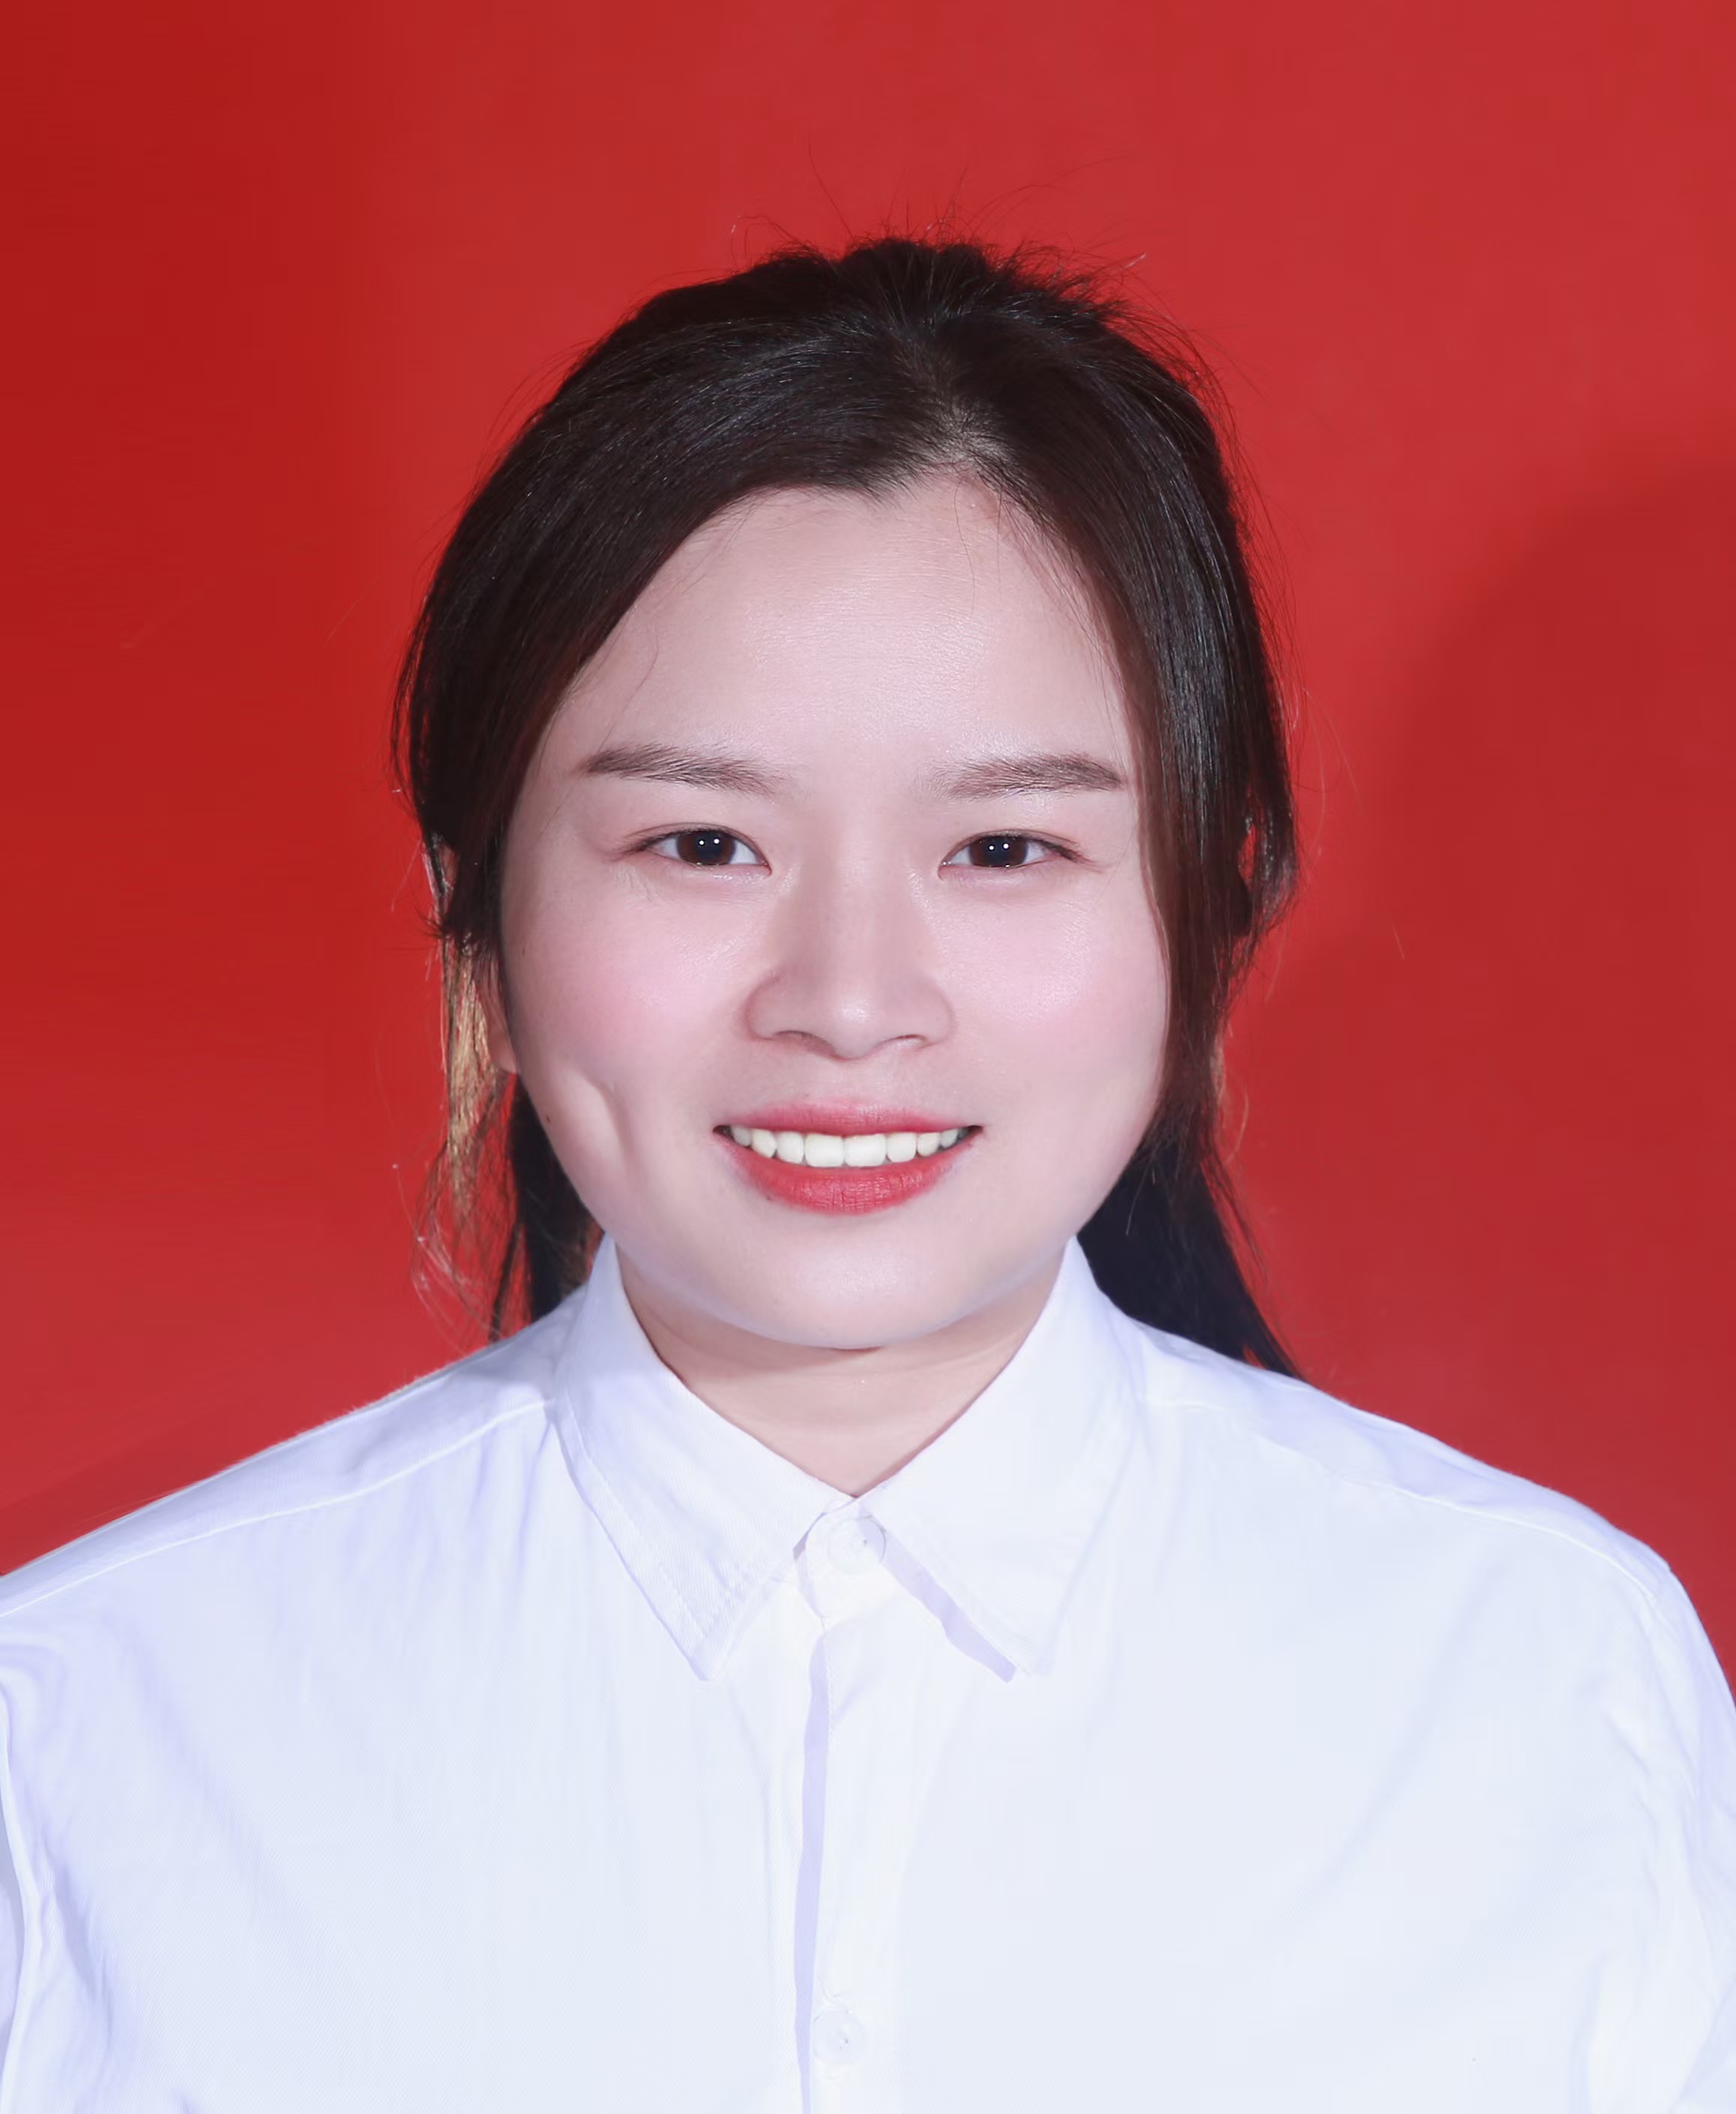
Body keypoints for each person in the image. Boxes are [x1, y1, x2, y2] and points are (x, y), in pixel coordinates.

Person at [1, 235, 1732, 2112]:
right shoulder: (97, 1725)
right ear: (475, 899)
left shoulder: (1542, 1689)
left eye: (1002, 850)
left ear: (1208, 897)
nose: (846, 1000)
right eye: (701, 844)